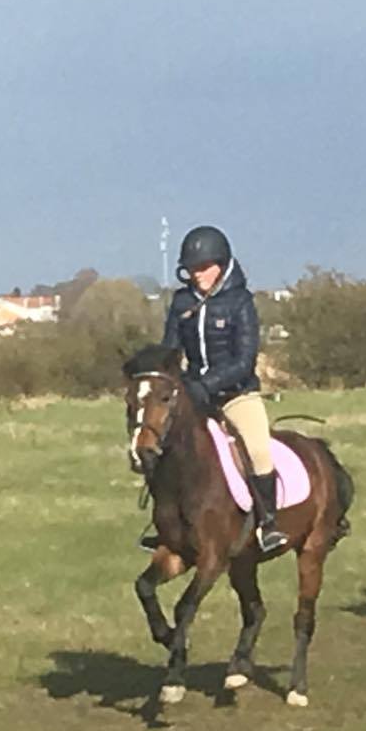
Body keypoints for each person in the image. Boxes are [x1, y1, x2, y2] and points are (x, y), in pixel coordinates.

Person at [140, 224, 288, 553]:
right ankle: (165, 524)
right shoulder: (181, 303)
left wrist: (206, 386)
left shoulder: (241, 303)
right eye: (192, 268)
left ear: (221, 265)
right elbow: (171, 350)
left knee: (258, 449)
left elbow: (244, 359)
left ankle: (268, 523)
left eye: (203, 268)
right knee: (161, 448)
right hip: (192, 394)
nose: (196, 275)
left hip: (237, 394)